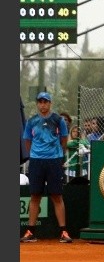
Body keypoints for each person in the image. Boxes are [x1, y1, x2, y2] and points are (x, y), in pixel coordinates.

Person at [21, 92, 72, 243]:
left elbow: (64, 138)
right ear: (37, 104)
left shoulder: (58, 120)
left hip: (54, 161)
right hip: (37, 161)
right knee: (35, 196)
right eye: (40, 102)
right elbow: (28, 140)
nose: (43, 105)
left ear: (50, 103)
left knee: (57, 196)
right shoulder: (31, 121)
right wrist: (34, 155)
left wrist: (59, 155)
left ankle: (63, 232)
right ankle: (30, 231)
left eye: (45, 102)